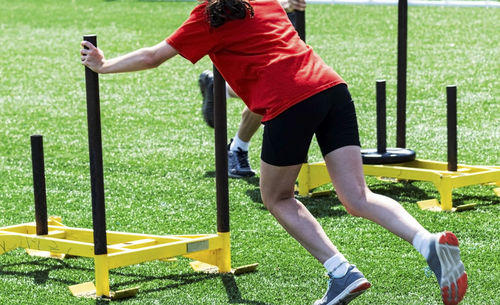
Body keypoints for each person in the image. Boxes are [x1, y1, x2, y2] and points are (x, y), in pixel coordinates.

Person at [80, 0, 468, 304]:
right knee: (357, 196)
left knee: (277, 196)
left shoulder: (206, 18)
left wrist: (105, 64)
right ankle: (427, 242)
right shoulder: (260, 1)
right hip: (332, 88)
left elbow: (153, 56)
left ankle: (341, 272)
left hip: (289, 102)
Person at [198, 0, 306, 178]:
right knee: (270, 85)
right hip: (257, 13)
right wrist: (279, 4)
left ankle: (220, 89)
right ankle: (238, 148)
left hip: (281, 13)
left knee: (280, 85)